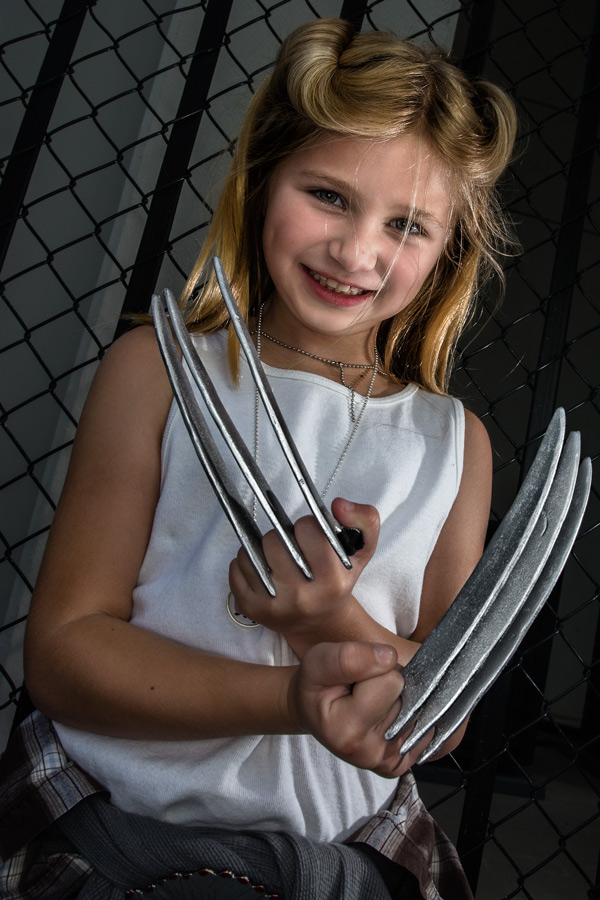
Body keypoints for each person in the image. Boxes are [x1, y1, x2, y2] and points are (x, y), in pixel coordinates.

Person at [0, 17, 517, 900]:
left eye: (408, 225)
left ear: (448, 253)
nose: (357, 252)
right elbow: (64, 651)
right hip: (120, 822)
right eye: (328, 195)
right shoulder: (160, 372)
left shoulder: (454, 445)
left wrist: (325, 623)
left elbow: (444, 709)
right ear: (263, 177)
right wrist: (288, 700)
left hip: (342, 846)